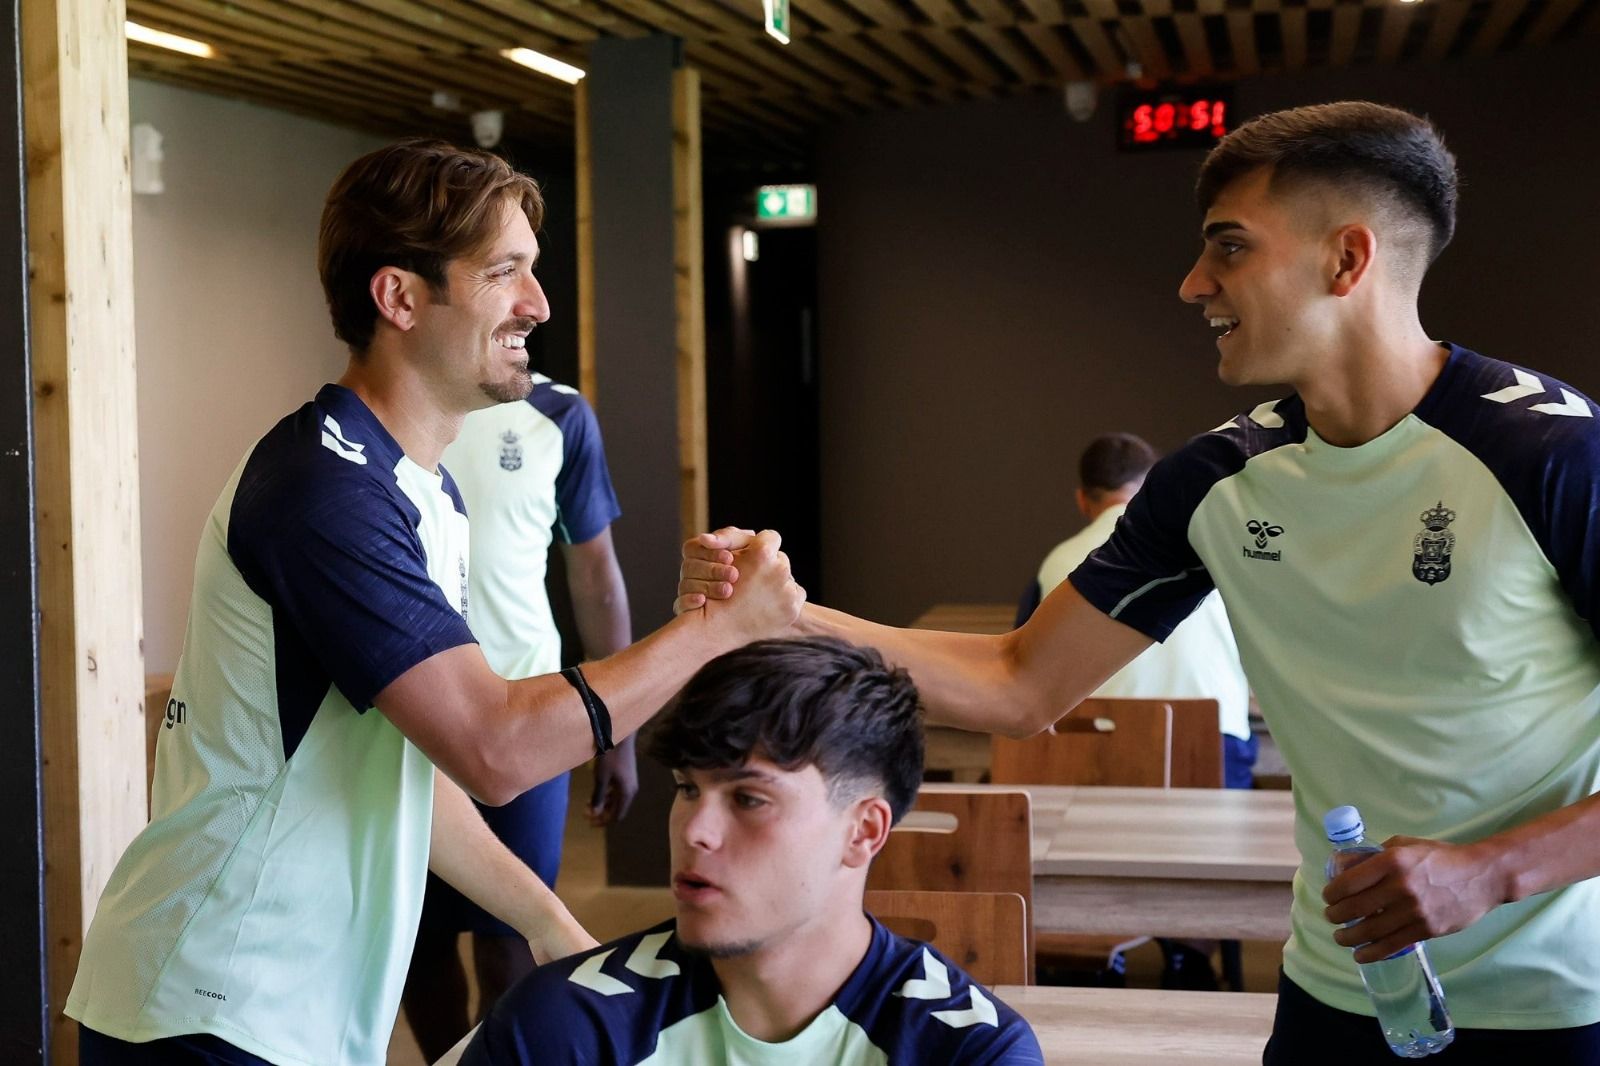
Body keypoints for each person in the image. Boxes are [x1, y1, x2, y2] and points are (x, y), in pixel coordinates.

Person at [682, 102, 1600, 1061]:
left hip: (1554, 1005)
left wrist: (1489, 874)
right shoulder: (1213, 481)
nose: (1193, 283)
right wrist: (781, 618)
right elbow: (1021, 683)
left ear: (1346, 261)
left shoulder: (1553, 453)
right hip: (1337, 988)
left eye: (1231, 249)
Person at [65, 139, 804, 1066]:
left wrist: (549, 924)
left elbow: (414, 770)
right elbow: (496, 748)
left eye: (533, 273)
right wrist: (715, 633)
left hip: (295, 1008)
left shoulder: (426, 495)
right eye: (505, 274)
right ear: (400, 297)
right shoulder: (322, 490)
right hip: (209, 1002)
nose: (538, 305)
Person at [459, 636, 1043, 1065]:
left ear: (863, 831)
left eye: (749, 799)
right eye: (688, 788)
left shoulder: (969, 1051)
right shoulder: (564, 1029)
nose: (696, 831)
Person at [403, 373, 637, 1059]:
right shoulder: (396, 407)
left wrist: (614, 731)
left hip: (529, 713)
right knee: (422, 937)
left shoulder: (559, 414)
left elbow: (595, 576)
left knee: (514, 936)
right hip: (415, 710)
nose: (528, 304)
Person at [1017, 431, 1255, 790]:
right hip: (1213, 739)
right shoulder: (1212, 550)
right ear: (1152, 488)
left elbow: (1022, 667)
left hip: (1095, 743)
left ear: (1082, 500)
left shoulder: (1057, 562)